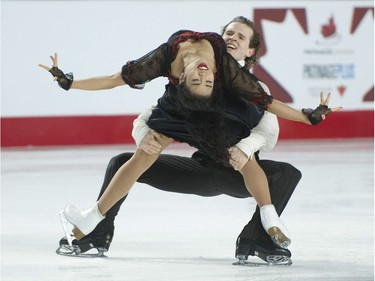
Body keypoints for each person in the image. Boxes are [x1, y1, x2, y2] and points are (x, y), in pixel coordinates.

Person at [39, 22, 340, 263]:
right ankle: (93, 232)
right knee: (122, 161)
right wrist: (145, 139)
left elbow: (269, 129)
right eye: (229, 33)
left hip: (234, 168)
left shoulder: (250, 85)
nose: (233, 38)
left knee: (286, 173)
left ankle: (258, 240)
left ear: (251, 51)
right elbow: (144, 116)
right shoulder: (183, 82)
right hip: (196, 169)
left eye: (241, 36)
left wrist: (250, 146)